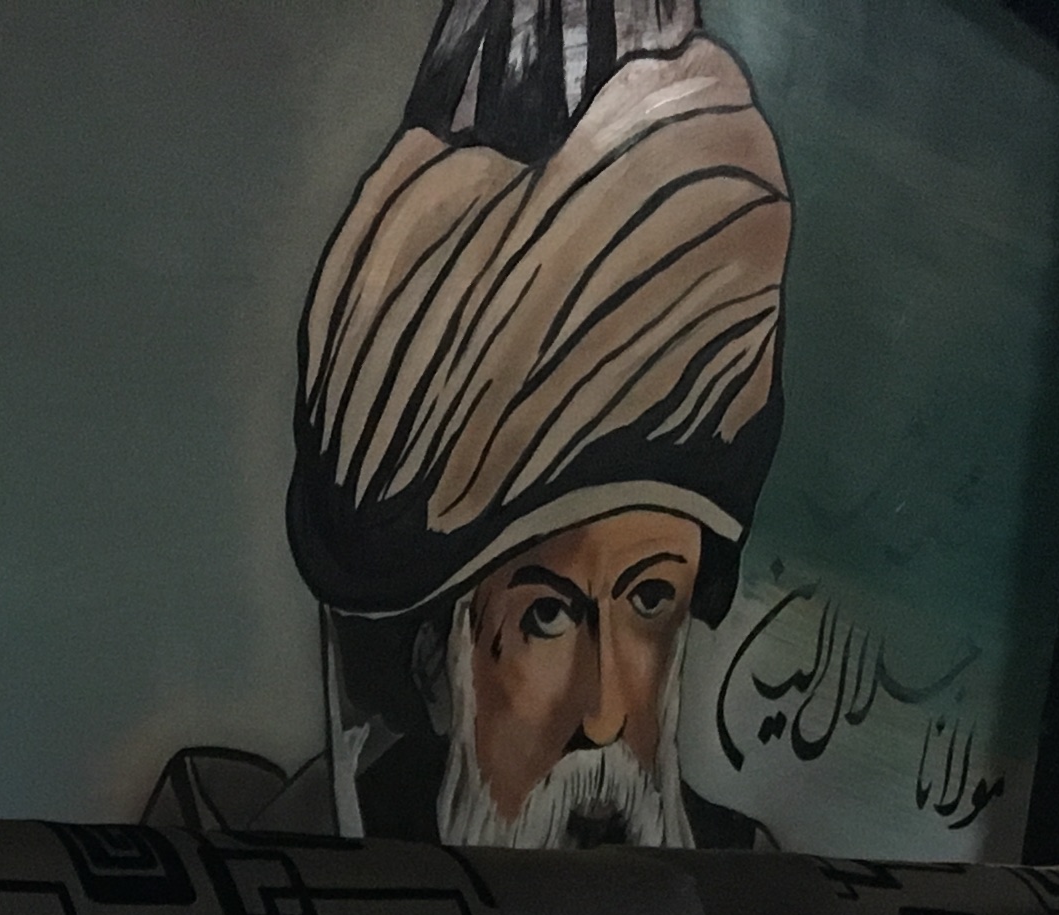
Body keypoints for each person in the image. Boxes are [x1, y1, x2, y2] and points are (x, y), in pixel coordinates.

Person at [288, 0, 789, 849]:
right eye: (546, 617)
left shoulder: (750, 890)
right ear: (431, 665)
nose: (603, 716)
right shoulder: (272, 859)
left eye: (651, 600)